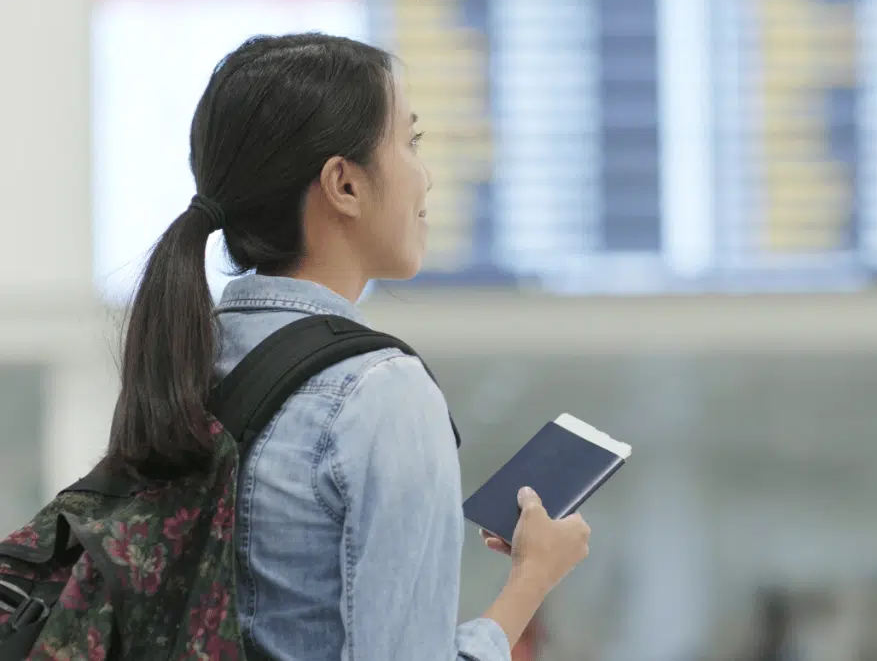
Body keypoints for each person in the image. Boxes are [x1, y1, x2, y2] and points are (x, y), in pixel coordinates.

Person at [103, 34, 591, 661]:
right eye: (411, 143)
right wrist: (531, 581)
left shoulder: (188, 359)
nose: (427, 177)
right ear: (344, 185)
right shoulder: (380, 391)